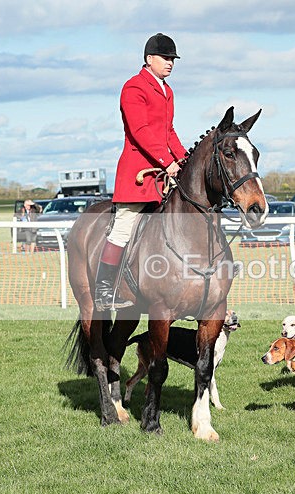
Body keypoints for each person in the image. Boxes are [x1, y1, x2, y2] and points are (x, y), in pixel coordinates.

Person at [95, 33, 188, 311]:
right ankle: (103, 290)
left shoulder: (167, 91)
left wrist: (184, 161)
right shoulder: (133, 87)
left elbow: (168, 131)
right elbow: (140, 131)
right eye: (166, 58)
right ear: (150, 59)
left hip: (162, 176)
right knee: (123, 229)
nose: (170, 63)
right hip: (138, 173)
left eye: (173, 59)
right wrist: (166, 162)